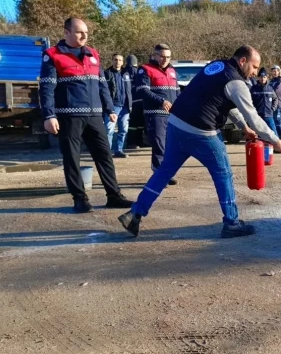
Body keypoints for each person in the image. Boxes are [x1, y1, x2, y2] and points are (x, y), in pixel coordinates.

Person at [118, 46, 281, 239]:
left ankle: (136, 213)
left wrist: (242, 127)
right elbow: (254, 117)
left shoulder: (216, 66)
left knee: (165, 171)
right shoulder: (237, 82)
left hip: (176, 123)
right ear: (242, 61)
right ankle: (232, 222)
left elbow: (222, 101)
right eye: (254, 66)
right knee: (223, 173)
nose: (256, 72)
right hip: (201, 131)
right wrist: (275, 140)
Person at [39, 17, 133, 213]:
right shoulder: (52, 55)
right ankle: (80, 199)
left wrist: (109, 109)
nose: (84, 36)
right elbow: (47, 88)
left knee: (105, 156)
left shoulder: (92, 54)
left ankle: (114, 195)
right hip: (69, 117)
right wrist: (49, 115)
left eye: (86, 33)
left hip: (94, 116)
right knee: (72, 159)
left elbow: (102, 85)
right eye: (79, 32)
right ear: (66, 32)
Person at [136, 44, 180, 185]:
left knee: (170, 145)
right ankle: (160, 174)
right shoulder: (145, 70)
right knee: (159, 144)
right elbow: (143, 90)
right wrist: (161, 101)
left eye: (167, 57)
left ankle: (167, 173)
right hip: (155, 113)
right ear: (154, 55)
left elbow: (177, 92)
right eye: (161, 56)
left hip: (172, 115)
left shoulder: (172, 71)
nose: (164, 59)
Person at [103, 54, 132, 157]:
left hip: (125, 106)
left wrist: (130, 105)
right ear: (112, 60)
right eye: (115, 60)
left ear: (123, 62)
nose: (118, 62)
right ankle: (107, 152)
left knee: (123, 130)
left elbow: (129, 90)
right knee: (109, 130)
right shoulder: (106, 74)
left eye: (120, 60)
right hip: (112, 107)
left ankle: (119, 150)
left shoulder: (126, 73)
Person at [251, 69, 278, 135]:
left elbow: (275, 99)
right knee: (258, 135)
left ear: (267, 77)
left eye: (264, 77)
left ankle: (275, 145)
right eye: (261, 77)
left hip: (269, 115)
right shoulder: (253, 89)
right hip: (258, 116)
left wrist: (273, 108)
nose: (262, 79)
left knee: (274, 134)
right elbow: (249, 100)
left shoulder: (270, 88)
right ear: (258, 77)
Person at [269, 65, 281, 135]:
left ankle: (280, 134)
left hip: (278, 104)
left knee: (278, 120)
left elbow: (276, 91)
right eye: (273, 71)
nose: (275, 73)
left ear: (278, 72)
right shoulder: (271, 81)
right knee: (272, 120)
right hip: (270, 104)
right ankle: (275, 134)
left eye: (276, 71)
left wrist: (269, 93)